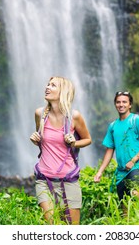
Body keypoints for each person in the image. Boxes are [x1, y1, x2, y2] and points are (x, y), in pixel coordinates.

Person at [30, 76, 92, 225]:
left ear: (63, 91)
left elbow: (88, 139)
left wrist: (74, 143)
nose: (47, 87)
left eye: (53, 85)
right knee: (52, 226)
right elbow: (41, 138)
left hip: (68, 180)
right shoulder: (40, 114)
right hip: (44, 179)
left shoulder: (74, 117)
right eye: (48, 84)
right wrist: (35, 140)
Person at [94, 91, 139, 213]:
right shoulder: (113, 126)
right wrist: (100, 171)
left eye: (124, 102)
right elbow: (109, 151)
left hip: (138, 165)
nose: (121, 104)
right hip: (121, 172)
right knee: (124, 208)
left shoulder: (137, 121)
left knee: (135, 192)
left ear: (130, 104)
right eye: (118, 102)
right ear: (115, 104)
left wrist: (133, 160)